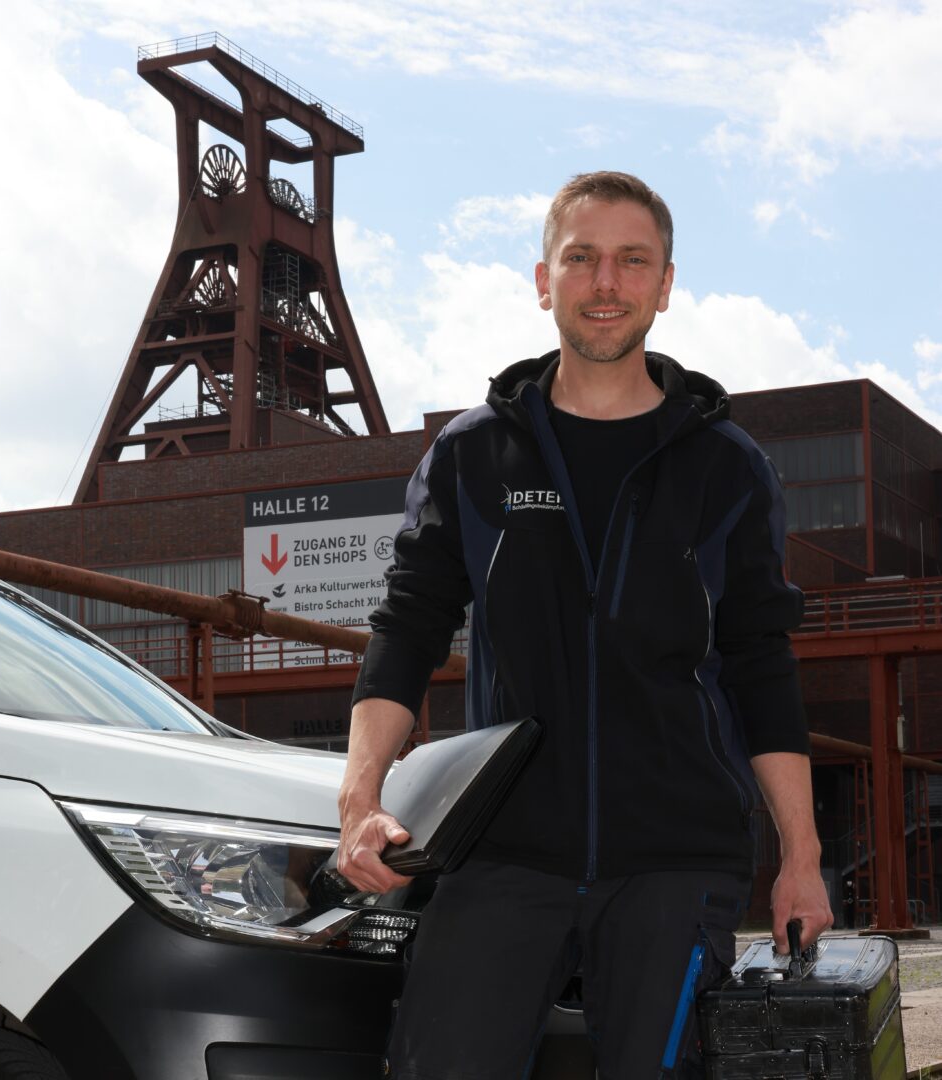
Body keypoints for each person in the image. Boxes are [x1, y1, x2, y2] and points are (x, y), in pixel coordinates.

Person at [337, 171, 834, 1078]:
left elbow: (760, 662)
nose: (606, 282)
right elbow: (408, 627)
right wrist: (360, 800)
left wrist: (800, 856)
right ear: (543, 280)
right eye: (582, 259)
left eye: (630, 261)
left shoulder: (725, 466)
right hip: (500, 850)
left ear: (663, 285)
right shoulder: (473, 453)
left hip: (675, 857)